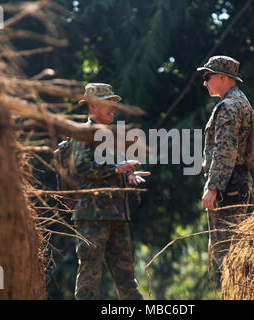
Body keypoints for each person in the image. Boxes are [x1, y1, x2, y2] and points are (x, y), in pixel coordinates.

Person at [70, 83, 150, 300]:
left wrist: (125, 175)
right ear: (93, 106)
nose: (113, 108)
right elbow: (82, 166)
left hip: (116, 217)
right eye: (108, 103)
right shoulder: (84, 133)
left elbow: (107, 171)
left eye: (114, 103)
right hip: (92, 218)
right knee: (89, 281)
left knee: (127, 282)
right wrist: (116, 168)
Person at [196, 56, 253, 270]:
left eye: (207, 76)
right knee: (233, 250)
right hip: (237, 183)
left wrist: (213, 188)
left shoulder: (229, 107)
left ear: (222, 77)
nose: (205, 82)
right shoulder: (241, 100)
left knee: (227, 253)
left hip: (228, 187)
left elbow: (225, 151)